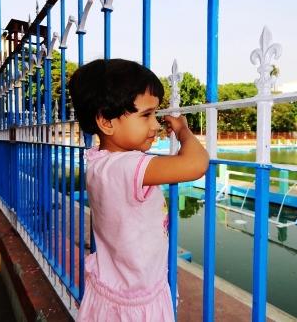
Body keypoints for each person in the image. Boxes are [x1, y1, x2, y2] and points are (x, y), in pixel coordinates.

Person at [69, 58, 209, 321]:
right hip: (137, 300)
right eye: (146, 115)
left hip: (110, 290)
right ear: (106, 122)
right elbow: (196, 164)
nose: (155, 125)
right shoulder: (130, 166)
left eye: (155, 114)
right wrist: (184, 132)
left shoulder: (99, 163)